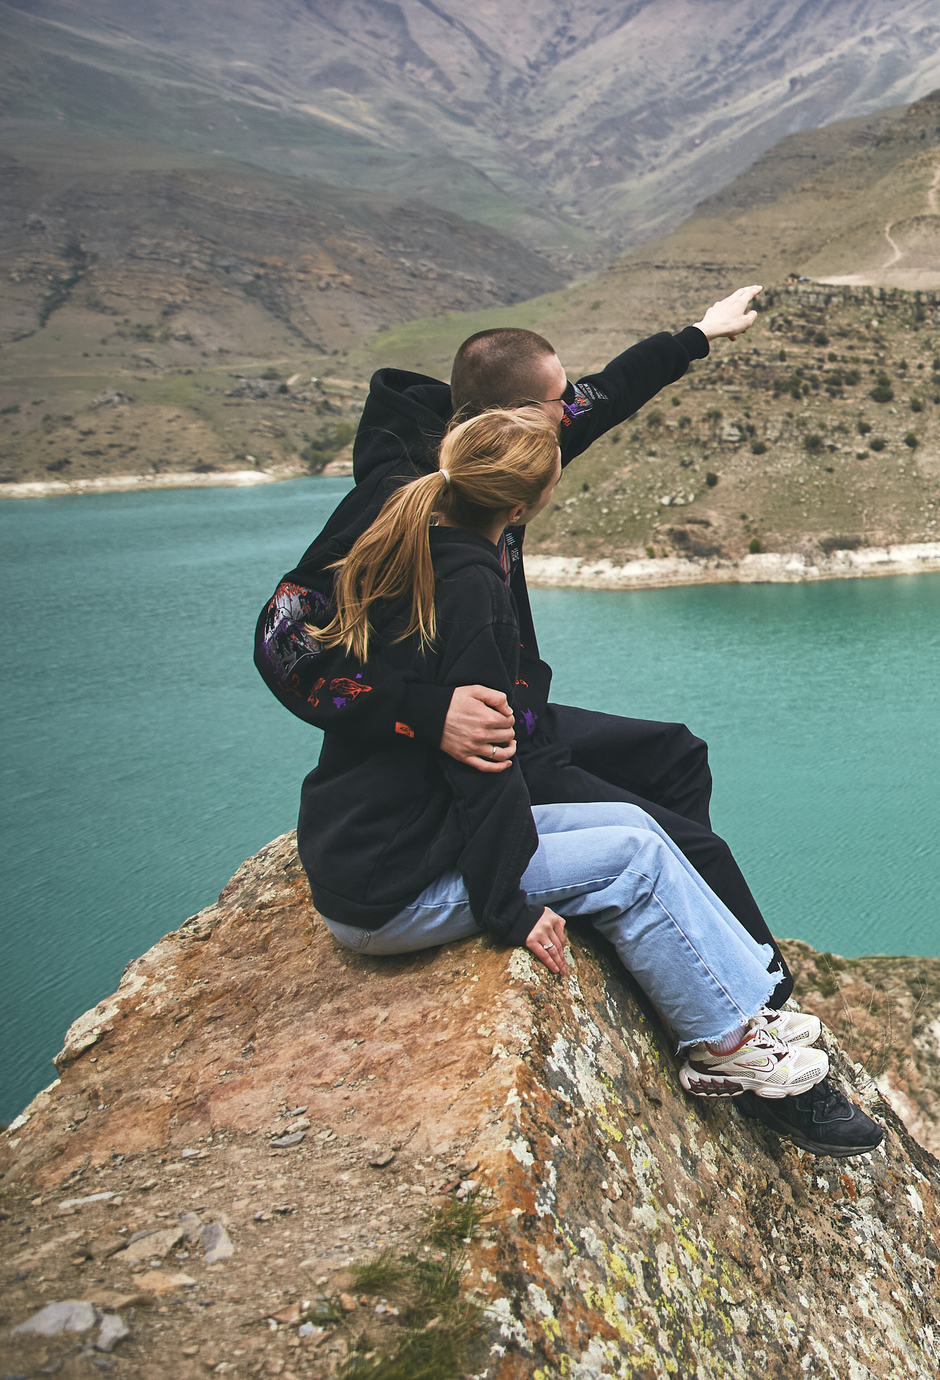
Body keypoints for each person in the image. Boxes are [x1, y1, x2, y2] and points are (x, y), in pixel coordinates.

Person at [297, 407, 881, 1156]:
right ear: (520, 508)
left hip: (383, 839)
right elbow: (484, 764)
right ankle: (723, 1046)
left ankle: (743, 1006)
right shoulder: (474, 589)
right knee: (631, 861)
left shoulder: (406, 535)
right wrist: (506, 904)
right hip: (393, 889)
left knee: (643, 827)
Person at [253, 286, 794, 1000]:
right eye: (554, 400)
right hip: (485, 736)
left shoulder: (496, 452)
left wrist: (696, 335)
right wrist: (421, 709)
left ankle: (663, 930)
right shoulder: (402, 497)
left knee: (676, 755)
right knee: (690, 847)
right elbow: (281, 639)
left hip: (520, 712)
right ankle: (769, 1004)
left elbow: (603, 397)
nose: (567, 409)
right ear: (508, 417)